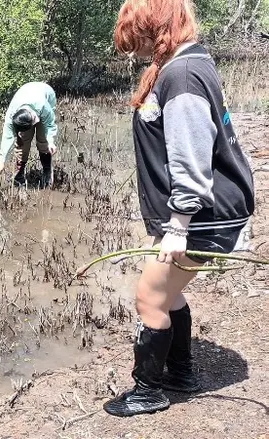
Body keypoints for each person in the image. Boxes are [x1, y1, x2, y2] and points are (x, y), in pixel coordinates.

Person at [104, 0, 254, 417]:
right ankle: (181, 373)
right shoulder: (186, 62)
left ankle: (148, 391)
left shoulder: (183, 75)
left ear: (158, 25)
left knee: (149, 297)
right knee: (168, 294)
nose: (135, 49)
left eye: (138, 37)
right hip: (207, 212)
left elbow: (190, 156)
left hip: (204, 215)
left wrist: (178, 225)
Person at [0, 82, 59, 188]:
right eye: (34, 121)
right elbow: (7, 138)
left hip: (46, 94)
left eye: (34, 118)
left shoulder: (42, 105)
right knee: (23, 142)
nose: (37, 120)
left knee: (43, 140)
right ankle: (19, 174)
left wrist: (51, 142)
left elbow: (50, 124)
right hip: (24, 96)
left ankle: (47, 172)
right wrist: (2, 162)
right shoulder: (11, 118)